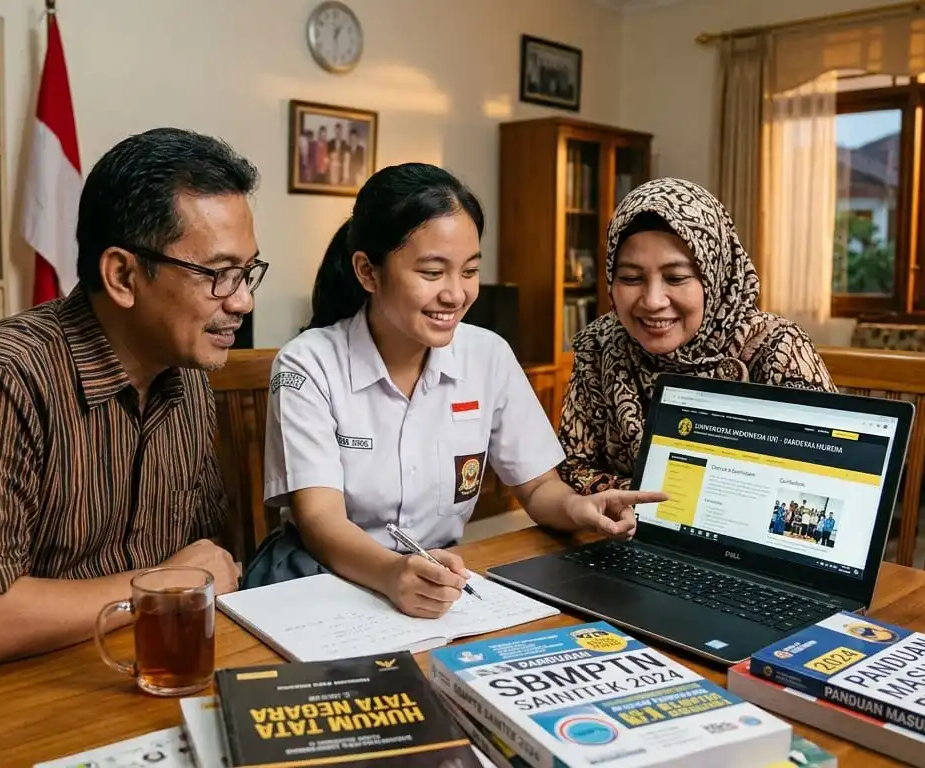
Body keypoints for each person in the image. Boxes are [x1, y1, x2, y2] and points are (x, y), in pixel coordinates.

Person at [0, 127, 266, 681]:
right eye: (217, 274)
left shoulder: (185, 378)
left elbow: (203, 557)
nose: (242, 300)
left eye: (247, 272)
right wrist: (158, 584)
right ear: (122, 275)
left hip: (110, 671)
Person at [246, 162, 666, 619]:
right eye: (432, 272)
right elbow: (320, 520)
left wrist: (578, 508)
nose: (456, 294)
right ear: (368, 271)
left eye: (469, 271)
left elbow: (539, 486)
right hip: (323, 581)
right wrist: (392, 574)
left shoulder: (487, 356)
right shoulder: (308, 364)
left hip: (432, 586)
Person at [557, 177, 835, 494]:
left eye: (676, 278)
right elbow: (570, 467)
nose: (652, 301)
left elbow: (822, 481)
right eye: (631, 278)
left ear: (714, 277)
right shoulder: (601, 345)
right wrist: (658, 506)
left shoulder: (777, 347)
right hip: (623, 533)